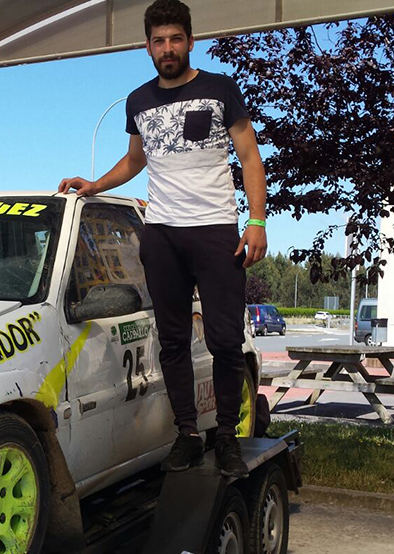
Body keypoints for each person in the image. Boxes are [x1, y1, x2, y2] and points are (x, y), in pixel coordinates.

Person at [58, 0, 267, 478]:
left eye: (176, 39)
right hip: (162, 235)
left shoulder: (219, 89)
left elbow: (250, 156)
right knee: (171, 341)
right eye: (158, 41)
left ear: (190, 41)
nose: (167, 48)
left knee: (225, 340)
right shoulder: (138, 101)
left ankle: (229, 438)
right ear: (147, 47)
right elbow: (135, 161)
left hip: (215, 231)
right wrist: (94, 185)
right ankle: (188, 435)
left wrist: (256, 221)